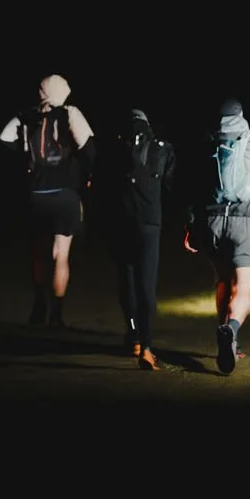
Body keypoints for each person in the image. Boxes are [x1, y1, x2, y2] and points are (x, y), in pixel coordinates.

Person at [182, 97, 250, 374]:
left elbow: (192, 186)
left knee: (223, 281)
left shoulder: (207, 143)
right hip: (245, 222)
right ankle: (232, 329)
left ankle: (225, 335)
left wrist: (191, 226)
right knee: (242, 288)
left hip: (212, 222)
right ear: (241, 115)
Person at [0, 74, 96, 327]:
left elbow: (4, 138)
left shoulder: (27, 116)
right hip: (65, 193)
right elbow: (88, 148)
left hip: (36, 193)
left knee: (39, 252)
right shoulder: (70, 113)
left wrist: (25, 157)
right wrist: (86, 176)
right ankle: (56, 313)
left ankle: (39, 306)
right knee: (60, 255)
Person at [105, 109, 176, 371]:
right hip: (150, 221)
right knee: (147, 283)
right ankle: (146, 346)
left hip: (121, 219)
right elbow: (170, 185)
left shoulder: (114, 149)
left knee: (127, 278)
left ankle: (133, 334)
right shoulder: (162, 148)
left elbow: (103, 185)